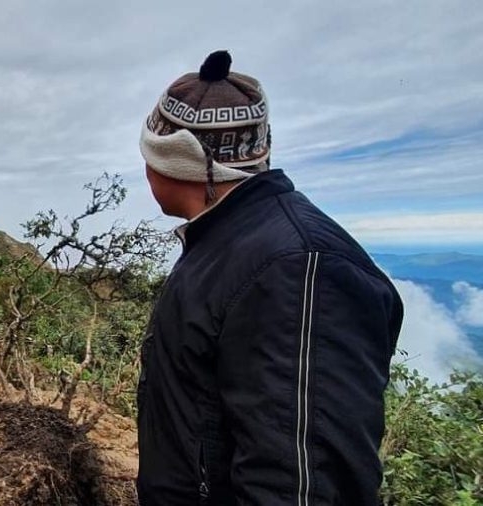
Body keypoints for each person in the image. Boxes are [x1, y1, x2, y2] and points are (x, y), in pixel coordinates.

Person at [135, 50, 403, 505]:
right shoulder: (232, 245)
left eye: (148, 154)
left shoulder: (298, 271)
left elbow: (304, 484)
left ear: (179, 162)